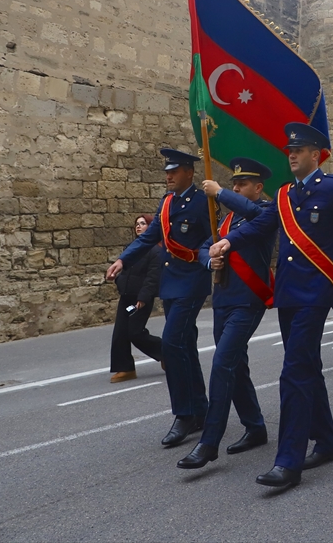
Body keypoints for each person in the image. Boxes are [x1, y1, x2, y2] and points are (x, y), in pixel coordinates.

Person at [210, 122, 333, 488]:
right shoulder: (285, 195)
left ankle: (288, 461)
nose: (291, 154)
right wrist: (229, 242)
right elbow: (260, 225)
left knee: (293, 372)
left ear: (316, 154)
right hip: (288, 293)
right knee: (307, 368)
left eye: (298, 150)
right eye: (289, 150)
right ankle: (327, 440)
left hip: (316, 293)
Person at [106, 148, 214, 450]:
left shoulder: (202, 203)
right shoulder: (167, 203)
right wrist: (122, 261)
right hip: (170, 285)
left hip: (191, 282)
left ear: (189, 173)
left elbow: (212, 239)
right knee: (185, 346)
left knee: (174, 343)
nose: (168, 175)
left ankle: (184, 413)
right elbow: (148, 237)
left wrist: (209, 260)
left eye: (174, 171)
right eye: (167, 171)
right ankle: (200, 410)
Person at [178, 158, 276, 471]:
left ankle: (208, 443)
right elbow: (206, 245)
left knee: (222, 363)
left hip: (248, 300)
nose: (235, 188)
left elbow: (255, 216)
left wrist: (219, 193)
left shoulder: (263, 211)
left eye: (242, 184)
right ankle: (255, 426)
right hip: (223, 301)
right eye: (233, 184)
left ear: (258, 188)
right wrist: (210, 261)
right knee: (236, 364)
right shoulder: (227, 221)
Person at [106, 214, 162, 384]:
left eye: (143, 224)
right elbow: (124, 270)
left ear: (151, 227)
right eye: (137, 224)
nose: (138, 227)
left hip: (140, 298)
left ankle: (168, 353)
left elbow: (153, 277)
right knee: (120, 334)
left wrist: (144, 297)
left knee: (135, 332)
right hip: (126, 295)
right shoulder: (131, 247)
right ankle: (125, 368)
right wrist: (118, 279)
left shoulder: (155, 250)